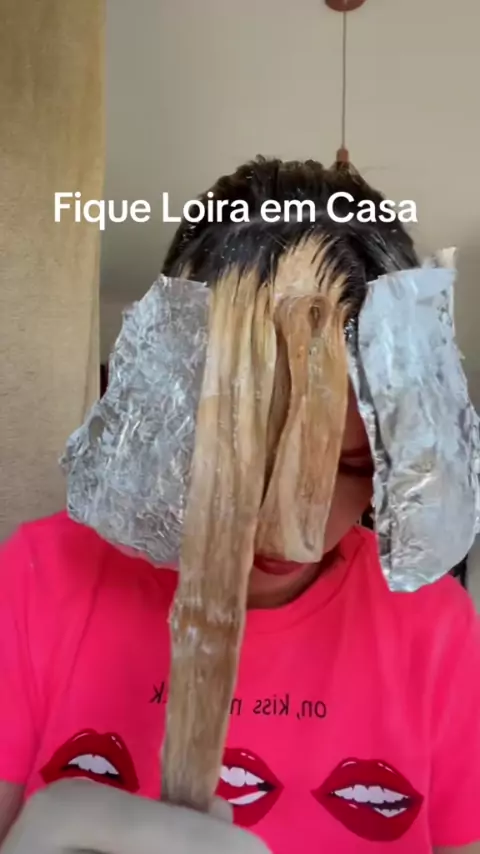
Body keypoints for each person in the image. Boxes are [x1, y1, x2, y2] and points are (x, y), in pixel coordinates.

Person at [0, 157, 479, 854]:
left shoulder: (434, 628)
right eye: (245, 460)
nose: (297, 531)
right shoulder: (37, 582)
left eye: (352, 466)